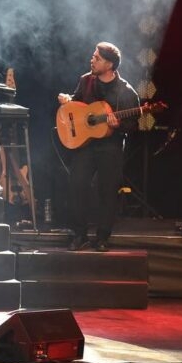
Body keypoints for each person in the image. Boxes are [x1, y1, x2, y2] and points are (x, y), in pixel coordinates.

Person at [57, 42, 139, 252]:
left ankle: (102, 237)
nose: (92, 60)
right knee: (77, 186)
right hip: (85, 145)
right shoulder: (86, 81)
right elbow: (76, 106)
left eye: (97, 58)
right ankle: (79, 234)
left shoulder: (126, 91)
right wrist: (67, 101)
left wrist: (118, 125)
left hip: (110, 147)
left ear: (110, 64)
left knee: (107, 191)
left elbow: (134, 126)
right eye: (93, 56)